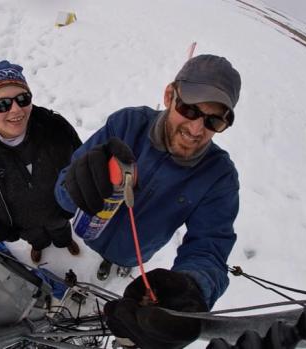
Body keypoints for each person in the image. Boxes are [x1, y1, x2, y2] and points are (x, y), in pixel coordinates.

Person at [54, 54, 241, 347]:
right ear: (169, 95)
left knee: (119, 259)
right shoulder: (128, 124)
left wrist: (192, 288)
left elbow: (210, 247)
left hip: (133, 252)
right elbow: (64, 190)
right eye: (188, 109)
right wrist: (74, 185)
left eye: (213, 120)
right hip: (87, 226)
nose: (195, 130)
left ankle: (112, 264)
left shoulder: (219, 176)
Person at [0, 60, 82, 264]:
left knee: (62, 230)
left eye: (23, 98)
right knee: (36, 240)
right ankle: (38, 247)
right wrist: (1, 231)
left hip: (59, 213)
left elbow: (79, 164)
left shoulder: (56, 128)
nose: (16, 110)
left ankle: (65, 241)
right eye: (2, 104)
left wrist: (71, 204)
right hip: (22, 225)